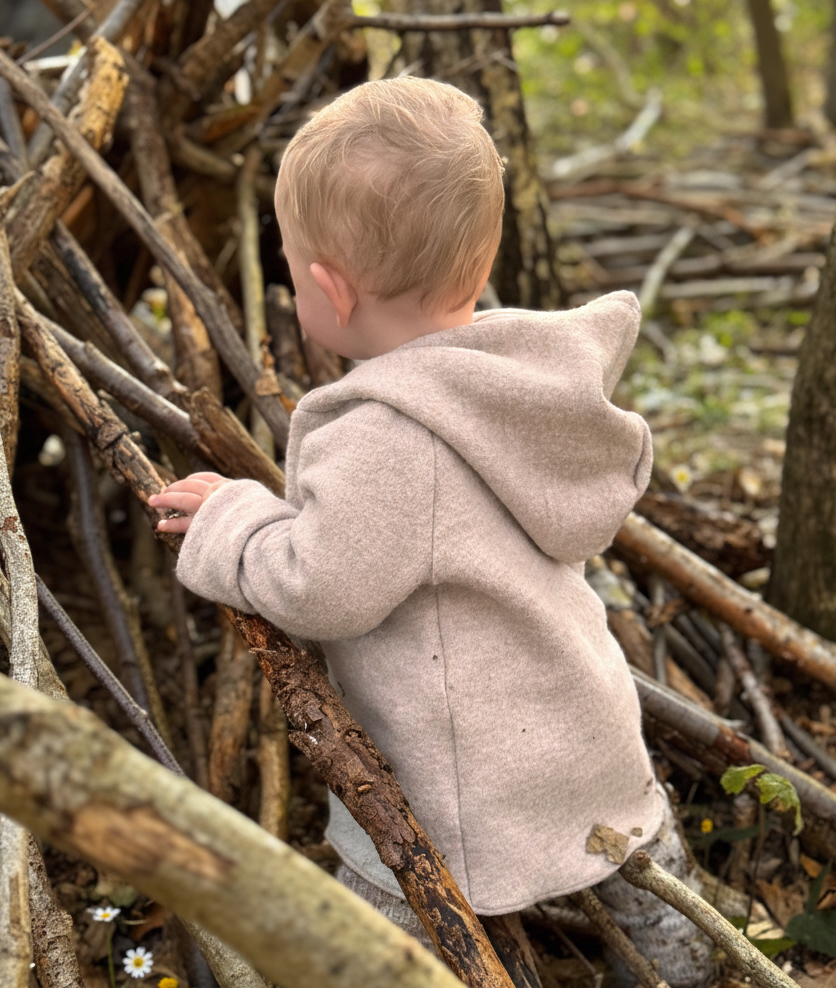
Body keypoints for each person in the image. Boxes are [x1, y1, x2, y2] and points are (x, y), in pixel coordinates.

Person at [148, 77, 712, 987]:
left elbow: (321, 586)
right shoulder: (516, 389)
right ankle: (692, 965)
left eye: (293, 269)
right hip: (585, 726)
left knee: (383, 908)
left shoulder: (387, 435)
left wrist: (233, 519)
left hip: (464, 775)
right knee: (637, 864)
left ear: (328, 288)